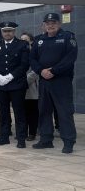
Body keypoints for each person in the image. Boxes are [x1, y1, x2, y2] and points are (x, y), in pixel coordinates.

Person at [30, 13, 77, 154]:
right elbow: (32, 59)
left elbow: (70, 58)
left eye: (54, 22)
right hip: (44, 81)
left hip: (61, 81)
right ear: (44, 25)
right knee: (44, 111)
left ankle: (68, 142)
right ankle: (46, 140)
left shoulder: (68, 37)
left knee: (64, 112)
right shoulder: (39, 40)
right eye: (48, 23)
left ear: (59, 24)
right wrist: (41, 71)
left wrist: (54, 71)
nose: (51, 25)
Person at [0, 22, 29, 148]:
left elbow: (24, 64)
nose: (7, 33)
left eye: (10, 31)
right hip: (1, 84)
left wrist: (11, 76)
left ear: (14, 31)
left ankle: (21, 138)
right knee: (3, 112)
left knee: (19, 112)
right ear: (1, 32)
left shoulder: (22, 44)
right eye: (5, 31)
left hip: (17, 84)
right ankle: (4, 137)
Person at [20, 32, 39, 141]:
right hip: (19, 88)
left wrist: (22, 80)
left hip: (31, 88)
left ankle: (32, 133)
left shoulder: (35, 53)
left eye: (26, 40)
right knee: (22, 112)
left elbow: (35, 71)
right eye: (21, 40)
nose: (24, 42)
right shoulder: (19, 51)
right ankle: (22, 132)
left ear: (31, 42)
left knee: (32, 112)